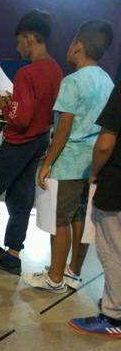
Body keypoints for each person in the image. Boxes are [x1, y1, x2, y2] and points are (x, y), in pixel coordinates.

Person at [0, 9, 63, 276]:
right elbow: (41, 109)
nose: (17, 46)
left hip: (19, 142)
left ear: (29, 38)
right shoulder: (55, 70)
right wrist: (15, 103)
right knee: (20, 199)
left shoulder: (26, 73)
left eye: (19, 40)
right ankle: (12, 256)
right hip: (40, 140)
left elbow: (20, 119)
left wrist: (2, 104)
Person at [26, 21, 114, 293]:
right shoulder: (107, 81)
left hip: (69, 163)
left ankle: (54, 278)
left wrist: (47, 163)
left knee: (59, 220)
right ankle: (73, 271)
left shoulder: (72, 81)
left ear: (78, 46)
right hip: (93, 164)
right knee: (80, 218)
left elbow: (63, 129)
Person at [69, 81, 121, 336]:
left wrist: (94, 173)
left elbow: (104, 144)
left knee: (113, 250)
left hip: (117, 185)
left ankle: (114, 316)